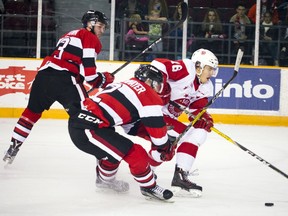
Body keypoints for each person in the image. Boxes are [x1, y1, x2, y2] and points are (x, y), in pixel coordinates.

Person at [3, 10, 115, 164]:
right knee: (88, 115)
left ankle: (12, 148)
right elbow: (89, 75)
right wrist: (104, 79)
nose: (102, 31)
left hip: (43, 76)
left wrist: (96, 80)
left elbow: (75, 65)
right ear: (90, 24)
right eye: (100, 26)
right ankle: (105, 159)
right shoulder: (89, 37)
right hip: (65, 80)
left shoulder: (67, 35)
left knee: (31, 113)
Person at [67, 64, 174, 201]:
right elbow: (159, 137)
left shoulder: (127, 85)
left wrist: (155, 136)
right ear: (149, 81)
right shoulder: (147, 94)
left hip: (86, 124)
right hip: (89, 128)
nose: (157, 90)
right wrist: (165, 146)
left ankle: (105, 182)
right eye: (157, 85)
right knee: (135, 153)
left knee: (113, 153)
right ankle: (149, 187)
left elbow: (130, 126)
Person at [124, 48, 219, 197]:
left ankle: (152, 174)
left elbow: (196, 110)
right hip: (149, 113)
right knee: (184, 137)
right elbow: (159, 65)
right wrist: (162, 88)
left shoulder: (206, 87)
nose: (212, 73)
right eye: (210, 69)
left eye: (213, 70)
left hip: (165, 119)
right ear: (199, 67)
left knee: (170, 148)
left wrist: (203, 117)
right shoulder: (187, 69)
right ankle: (177, 176)